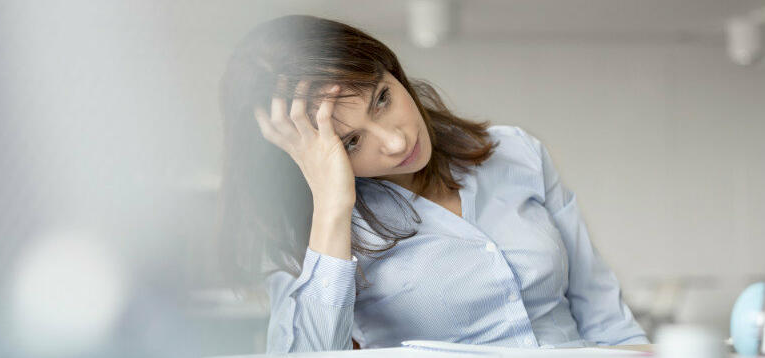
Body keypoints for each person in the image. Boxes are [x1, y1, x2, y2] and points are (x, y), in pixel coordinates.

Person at [217, 14, 649, 354]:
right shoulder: (313, 232)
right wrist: (332, 205)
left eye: (382, 99)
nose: (396, 140)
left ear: (391, 70)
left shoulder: (516, 151)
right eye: (350, 141)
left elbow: (605, 316)